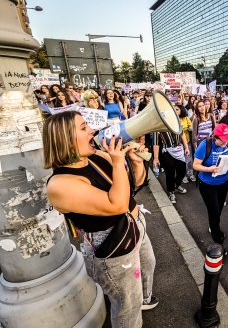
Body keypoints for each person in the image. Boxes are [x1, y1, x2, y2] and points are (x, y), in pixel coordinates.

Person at [43, 111, 157, 327]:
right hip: (113, 244)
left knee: (148, 264)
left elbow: (131, 188)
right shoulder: (60, 184)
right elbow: (118, 204)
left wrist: (136, 163)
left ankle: (143, 299)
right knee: (127, 306)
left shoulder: (96, 157)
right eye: (84, 128)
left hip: (133, 225)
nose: (93, 131)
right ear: (64, 138)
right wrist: (117, 161)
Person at [193, 124, 228, 249]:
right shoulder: (205, 145)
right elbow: (196, 165)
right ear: (216, 137)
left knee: (219, 207)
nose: (226, 142)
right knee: (213, 211)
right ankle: (217, 240)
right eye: (223, 140)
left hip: (223, 182)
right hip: (207, 184)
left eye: (227, 139)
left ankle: (213, 225)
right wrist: (209, 169)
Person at [152, 130, 189, 204]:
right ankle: (171, 191)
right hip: (167, 151)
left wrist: (186, 147)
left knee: (183, 171)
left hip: (179, 150)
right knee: (170, 173)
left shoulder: (176, 122)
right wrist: (156, 158)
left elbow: (182, 134)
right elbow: (156, 143)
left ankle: (177, 184)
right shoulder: (159, 126)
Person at [175, 104, 196, 183]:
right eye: (174, 109)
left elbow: (191, 128)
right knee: (181, 161)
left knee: (189, 159)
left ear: (181, 110)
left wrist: (190, 128)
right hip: (177, 144)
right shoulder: (172, 119)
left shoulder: (186, 118)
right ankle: (183, 175)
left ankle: (190, 174)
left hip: (187, 142)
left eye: (177, 109)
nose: (175, 111)